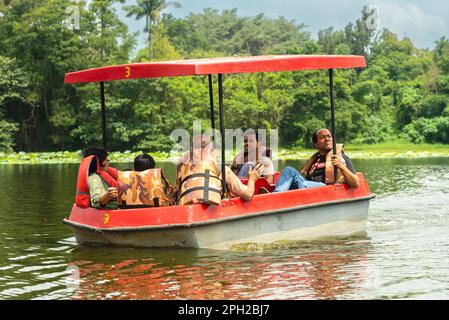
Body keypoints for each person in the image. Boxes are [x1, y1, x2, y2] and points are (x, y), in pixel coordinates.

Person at [176, 135, 264, 205]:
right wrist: (252, 179)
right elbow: (248, 195)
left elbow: (177, 192)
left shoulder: (182, 169)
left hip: (186, 208)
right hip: (213, 210)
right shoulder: (221, 169)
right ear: (211, 151)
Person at [272, 128, 359, 192]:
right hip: (306, 186)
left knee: (303, 184)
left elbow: (355, 183)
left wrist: (341, 166)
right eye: (322, 137)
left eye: (329, 136)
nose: (327, 139)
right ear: (316, 145)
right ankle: (276, 195)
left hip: (325, 188)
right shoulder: (313, 160)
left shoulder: (340, 158)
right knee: (288, 170)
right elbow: (301, 177)